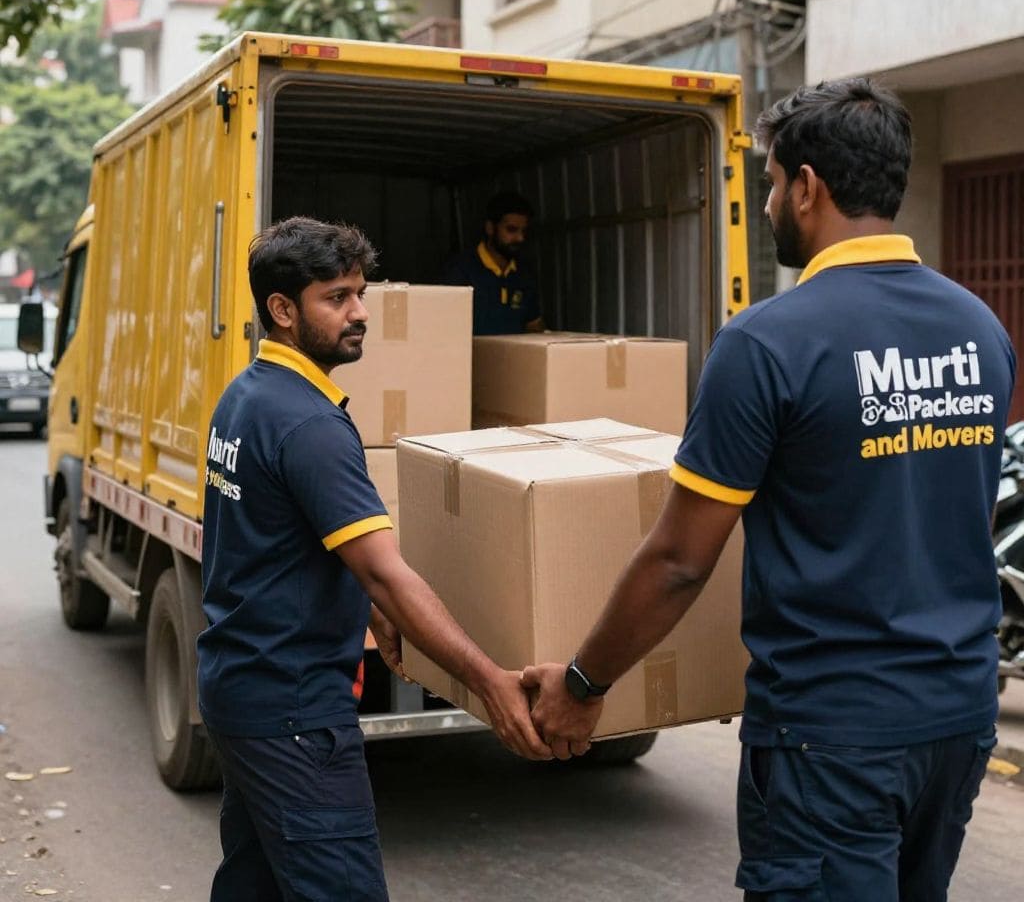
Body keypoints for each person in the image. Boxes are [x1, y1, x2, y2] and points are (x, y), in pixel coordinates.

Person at [523, 79, 1016, 901]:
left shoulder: (769, 343)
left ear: (809, 186)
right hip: (958, 718)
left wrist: (582, 686)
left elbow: (682, 559)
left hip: (834, 735)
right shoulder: (979, 327)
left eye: (771, 183)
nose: (770, 201)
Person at [198, 216, 550, 902]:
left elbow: (276, 544)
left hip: (240, 689)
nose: (359, 313)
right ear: (282, 310)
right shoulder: (308, 423)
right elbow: (385, 569)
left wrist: (368, 604)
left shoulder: (244, 398)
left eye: (360, 293)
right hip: (295, 711)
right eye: (337, 298)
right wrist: (490, 683)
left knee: (255, 884)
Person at [443, 190, 544, 335]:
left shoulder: (525, 274)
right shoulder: (460, 269)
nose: (520, 238)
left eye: (523, 231)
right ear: (490, 228)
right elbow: (444, 327)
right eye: (511, 230)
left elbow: (534, 326)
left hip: (515, 357)